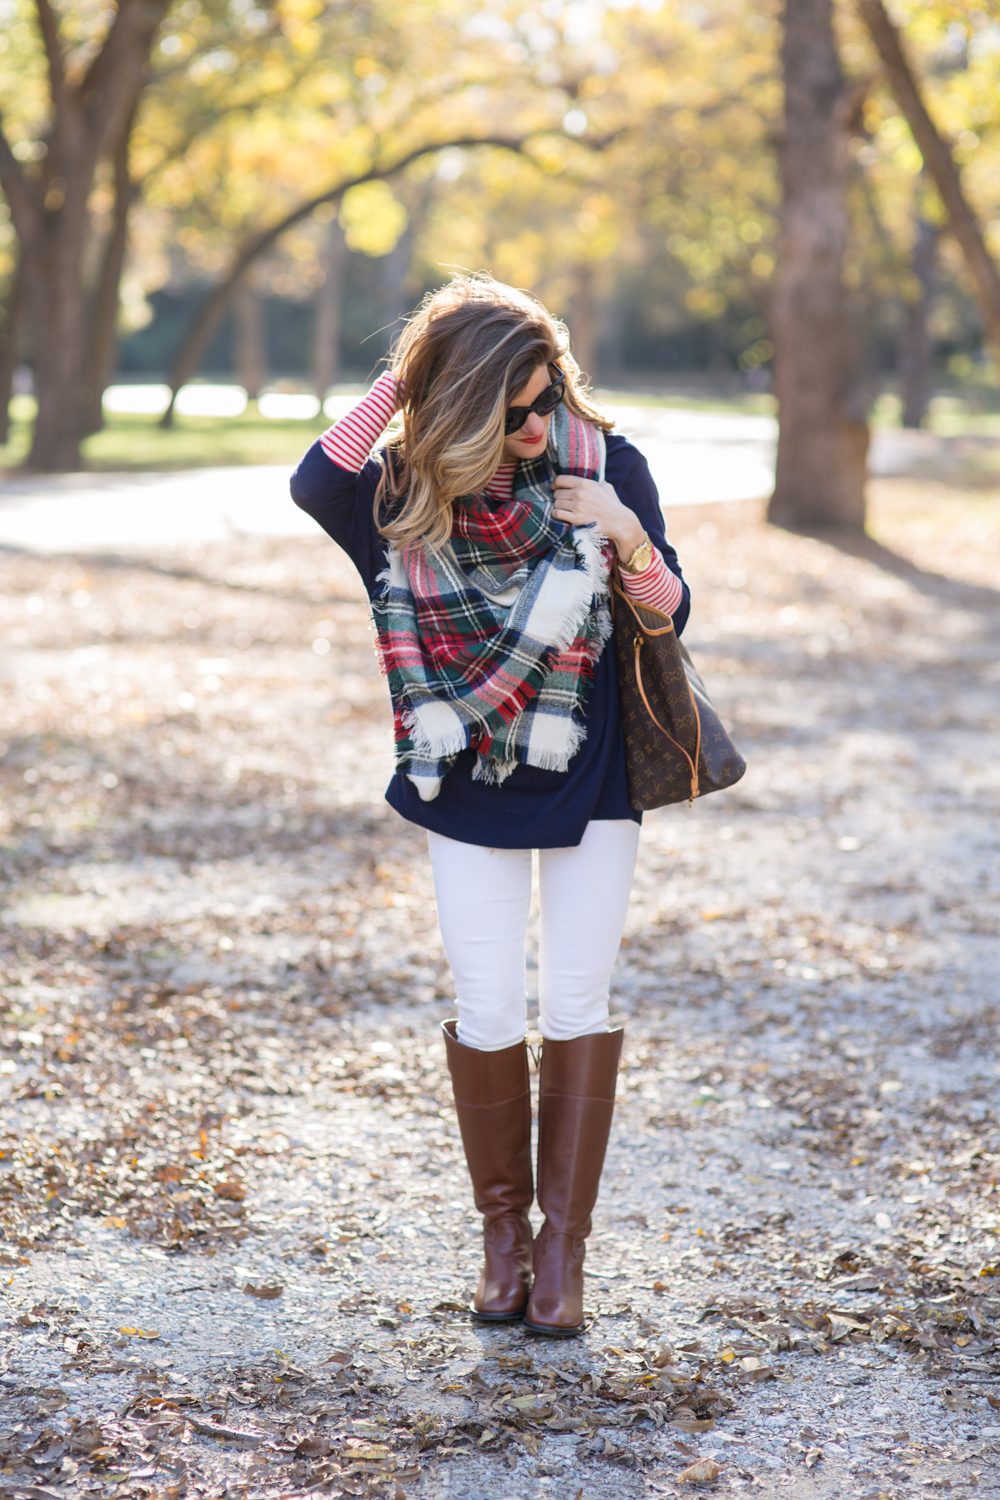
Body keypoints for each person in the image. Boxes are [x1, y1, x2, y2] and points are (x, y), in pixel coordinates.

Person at [290, 274, 690, 1336]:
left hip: (592, 766)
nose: (532, 423)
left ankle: (564, 1250)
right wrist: (404, 378)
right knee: (486, 1008)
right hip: (461, 776)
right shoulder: (403, 498)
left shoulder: (605, 467)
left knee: (573, 1000)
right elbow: (311, 478)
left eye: (543, 394)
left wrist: (626, 537)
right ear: (462, 402)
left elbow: (671, 609)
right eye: (508, 406)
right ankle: (502, 1238)